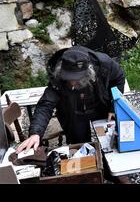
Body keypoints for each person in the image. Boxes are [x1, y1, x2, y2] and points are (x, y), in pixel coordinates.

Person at [16, 45, 129, 183]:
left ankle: (114, 172)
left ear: (89, 72)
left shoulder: (104, 64)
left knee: (108, 142)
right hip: (74, 113)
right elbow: (46, 104)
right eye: (68, 78)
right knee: (79, 146)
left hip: (100, 105)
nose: (73, 84)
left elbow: (119, 78)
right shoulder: (57, 77)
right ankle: (89, 175)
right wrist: (35, 133)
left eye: (76, 79)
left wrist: (113, 106)